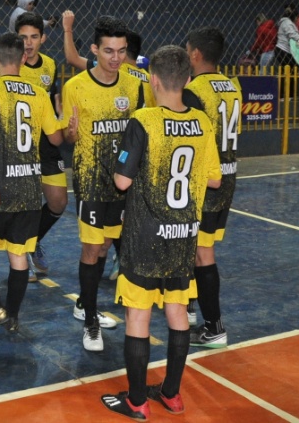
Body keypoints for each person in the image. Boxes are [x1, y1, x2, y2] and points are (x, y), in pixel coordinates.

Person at [101, 45, 222, 421]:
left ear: (152, 80)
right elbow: (215, 178)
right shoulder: (202, 122)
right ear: (187, 80)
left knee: (138, 316)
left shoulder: (144, 120)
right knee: (177, 312)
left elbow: (121, 181)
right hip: (184, 233)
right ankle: (171, 393)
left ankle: (136, 401)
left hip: (145, 234)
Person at [0, 33, 64, 333]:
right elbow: (55, 138)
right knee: (18, 253)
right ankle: (13, 316)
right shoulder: (39, 92)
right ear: (24, 59)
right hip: (29, 189)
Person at [62, 17, 144, 351]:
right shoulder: (75, 87)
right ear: (94, 49)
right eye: (108, 50)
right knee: (92, 249)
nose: (115, 58)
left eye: (121, 51)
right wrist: (70, 131)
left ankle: (85, 303)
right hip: (91, 181)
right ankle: (91, 322)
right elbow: (69, 137)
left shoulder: (135, 84)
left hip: (123, 183)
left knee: (107, 247)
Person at [0, 13, 66, 285]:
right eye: (22, 38)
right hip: (14, 148)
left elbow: (53, 104)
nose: (28, 43)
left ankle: (33, 241)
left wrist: (65, 125)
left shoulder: (50, 66)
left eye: (33, 37)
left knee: (58, 202)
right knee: (15, 204)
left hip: (44, 143)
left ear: (42, 38)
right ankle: (22, 252)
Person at [182, 27, 241, 349]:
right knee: (197, 248)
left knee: (203, 254)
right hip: (228, 177)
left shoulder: (195, 91)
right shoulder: (232, 87)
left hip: (206, 181)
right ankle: (190, 309)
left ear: (195, 55)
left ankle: (214, 327)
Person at [273, 4, 299, 68]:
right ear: (295, 17)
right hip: (283, 50)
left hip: (285, 50)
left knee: (288, 68)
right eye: (297, 18)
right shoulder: (287, 22)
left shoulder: (287, 22)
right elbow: (291, 33)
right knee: (294, 68)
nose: (297, 20)